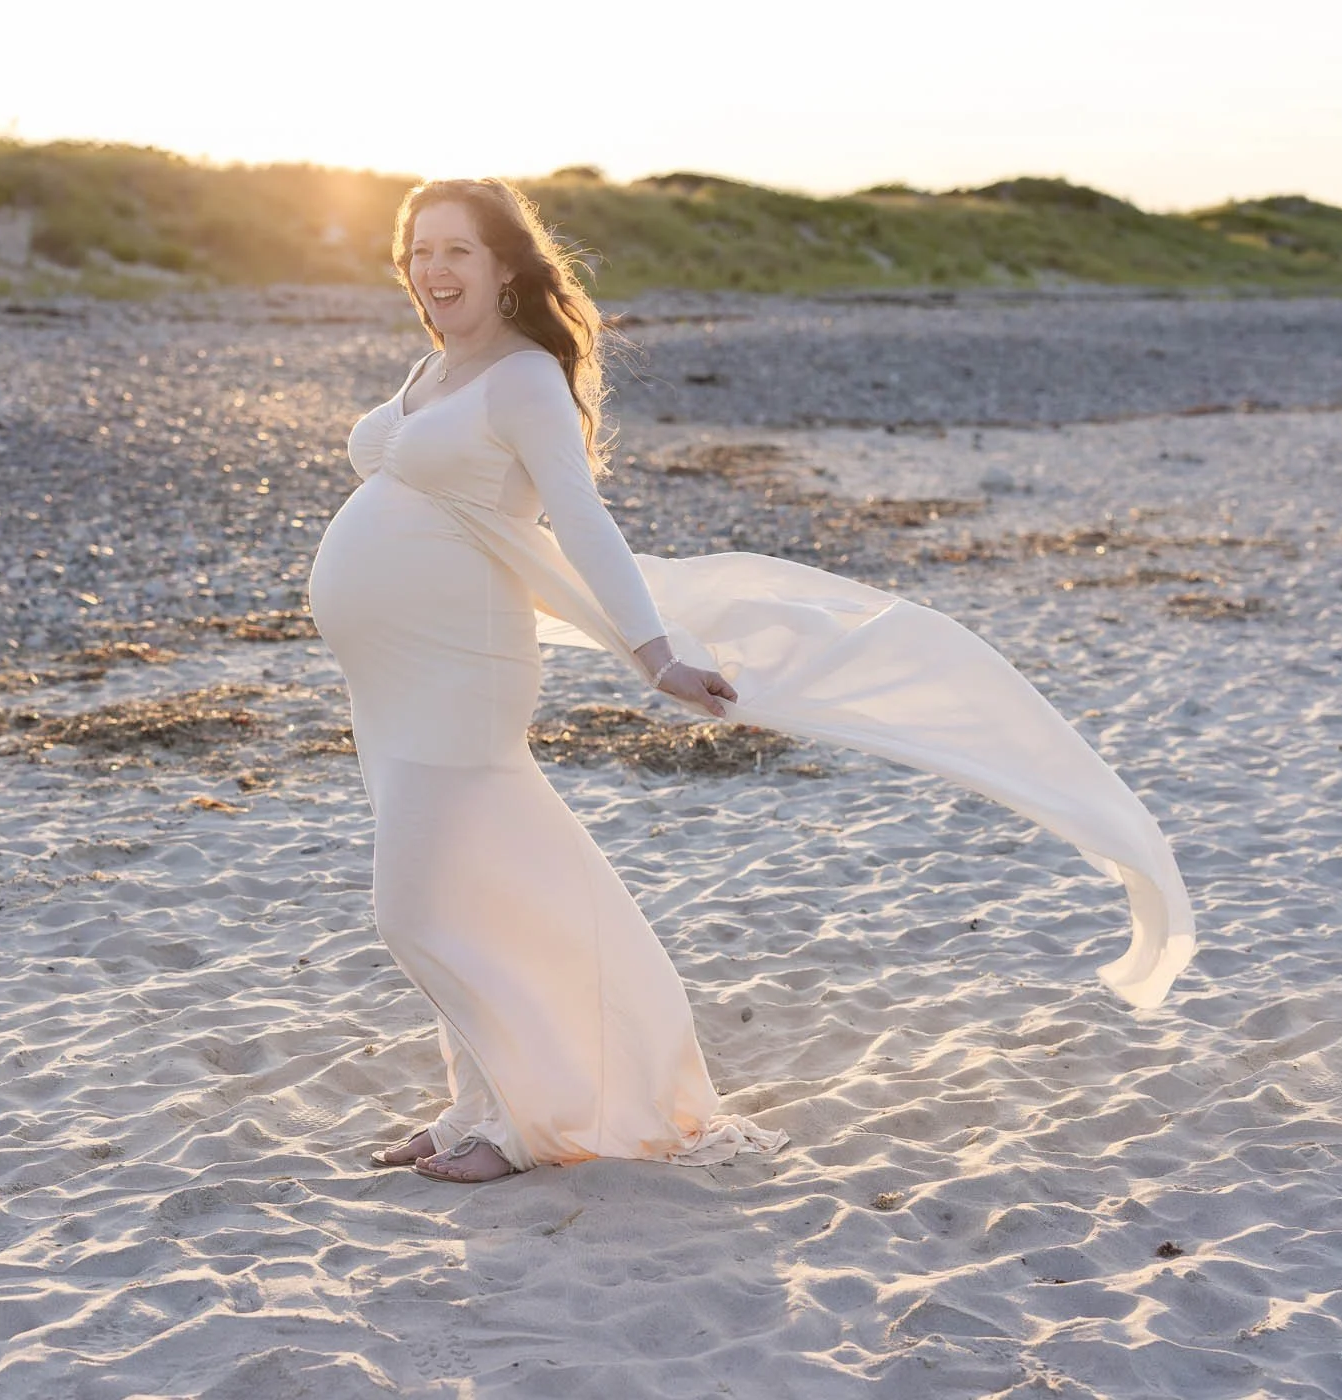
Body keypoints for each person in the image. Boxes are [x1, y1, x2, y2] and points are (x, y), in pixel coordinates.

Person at [307, 178, 1197, 1186]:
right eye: (420, 250)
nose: (433, 269)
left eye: (456, 250)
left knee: (413, 906)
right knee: (467, 889)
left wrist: (656, 655)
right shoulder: (433, 368)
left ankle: (528, 1117)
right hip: (389, 684)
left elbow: (584, 524)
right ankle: (478, 1102)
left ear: (506, 265)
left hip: (460, 672)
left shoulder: (522, 381)